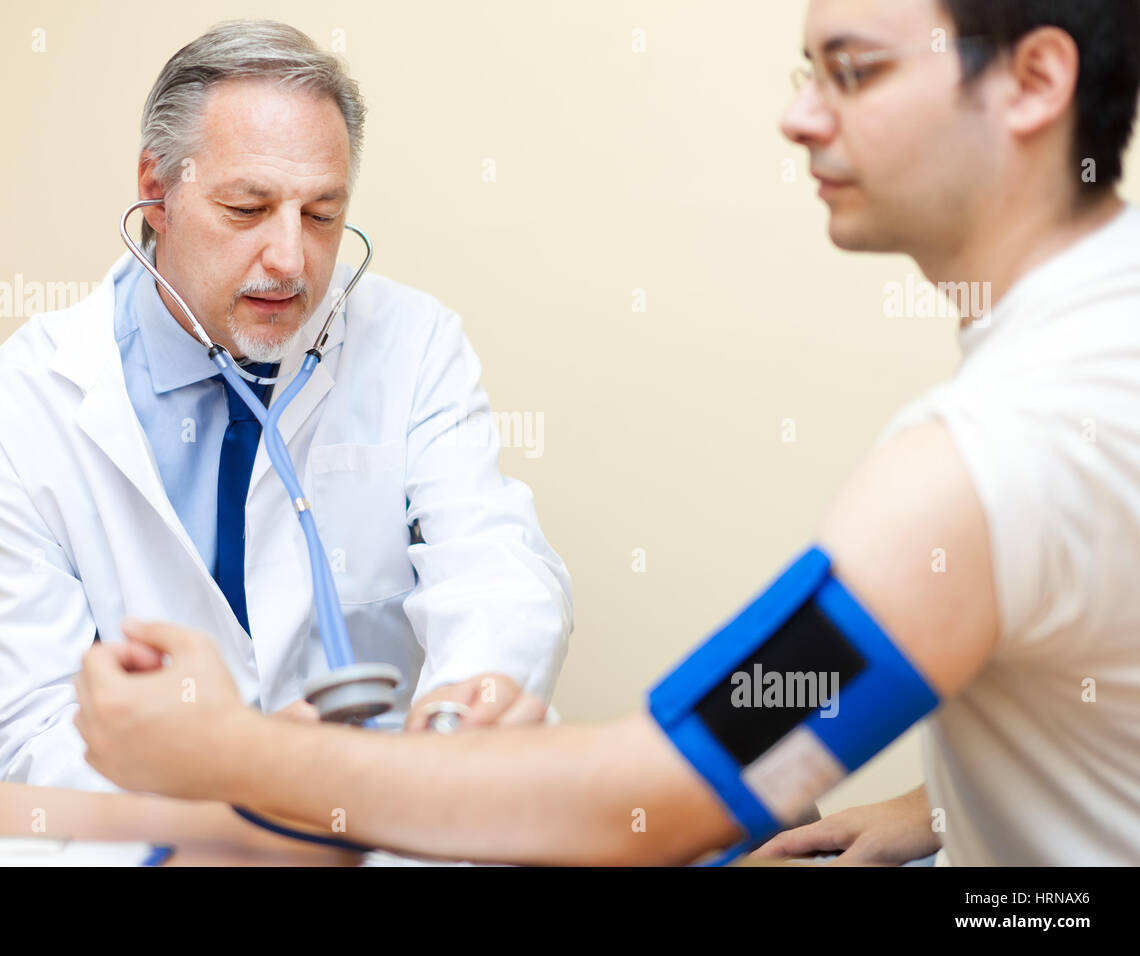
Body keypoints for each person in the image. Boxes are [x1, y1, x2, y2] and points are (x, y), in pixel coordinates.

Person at [74, 0, 1140, 864]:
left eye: (853, 71)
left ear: (1035, 82)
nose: (800, 119)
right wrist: (938, 805)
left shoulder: (989, 455)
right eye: (804, 75)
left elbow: (656, 796)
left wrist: (227, 749)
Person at [0, 19, 573, 792]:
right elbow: (21, 742)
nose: (290, 259)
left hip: (382, 825)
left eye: (321, 214)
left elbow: (497, 575)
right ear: (156, 193)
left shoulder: (415, 347)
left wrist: (463, 714)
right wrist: (245, 770)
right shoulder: (11, 415)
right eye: (246, 209)